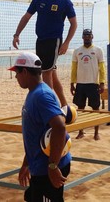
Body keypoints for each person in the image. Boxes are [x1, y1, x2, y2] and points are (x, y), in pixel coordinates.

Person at [10, 52, 72, 202]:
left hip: (48, 168)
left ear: (24, 72)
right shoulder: (34, 92)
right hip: (39, 166)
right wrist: (27, 164)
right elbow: (36, 134)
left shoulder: (41, 95)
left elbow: (60, 128)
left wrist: (52, 167)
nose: (16, 77)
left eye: (16, 72)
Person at [12, 0, 78, 112]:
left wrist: (66, 43)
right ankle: (64, 105)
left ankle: (50, 107)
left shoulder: (64, 2)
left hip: (54, 41)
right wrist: (17, 34)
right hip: (40, 40)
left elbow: (74, 24)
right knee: (52, 72)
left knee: (45, 72)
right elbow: (26, 17)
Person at [70, 29, 106, 140]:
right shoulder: (77, 51)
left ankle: (96, 133)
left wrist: (102, 83)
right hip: (81, 84)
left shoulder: (98, 50)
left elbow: (102, 69)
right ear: (82, 37)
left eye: (89, 35)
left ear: (92, 37)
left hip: (93, 84)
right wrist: (72, 83)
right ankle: (81, 131)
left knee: (95, 108)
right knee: (80, 109)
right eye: (85, 35)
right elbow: (74, 68)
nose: (87, 37)